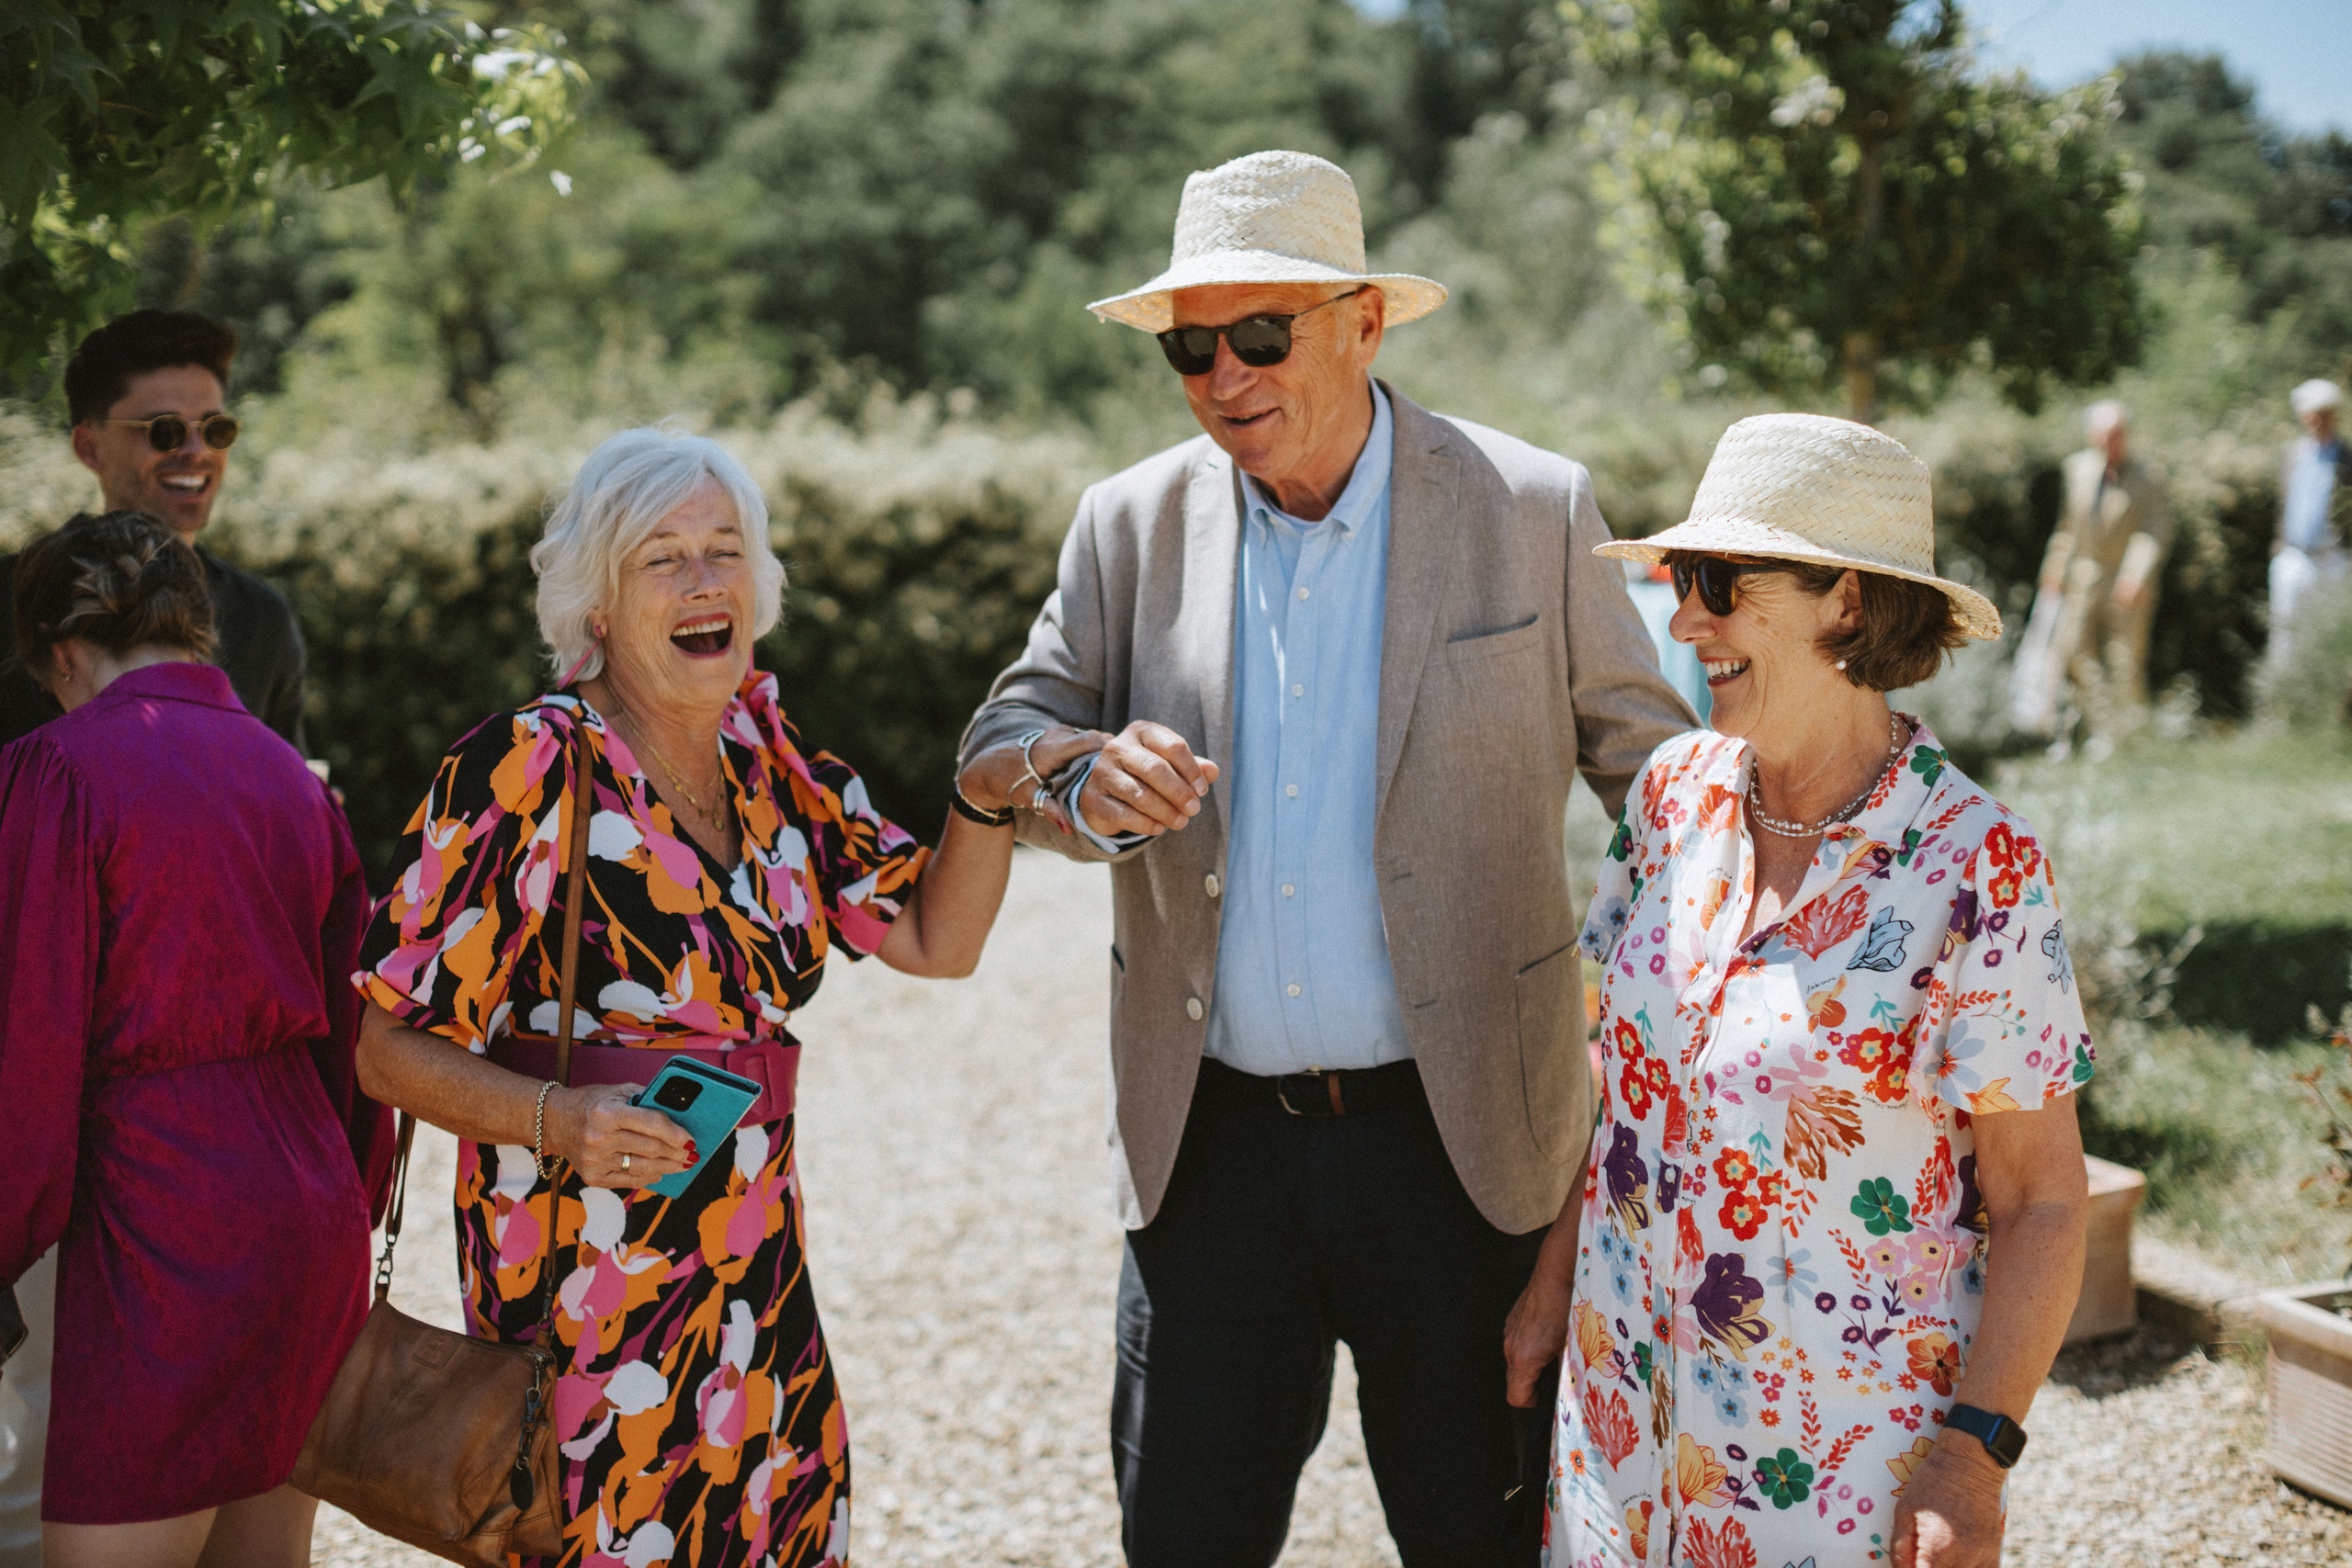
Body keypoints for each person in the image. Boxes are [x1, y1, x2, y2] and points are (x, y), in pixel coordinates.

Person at [960, 149, 1695, 1566]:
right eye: (1191, 346)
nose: (1224, 375)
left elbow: (1667, 797)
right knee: (1183, 1538)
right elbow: (1007, 730)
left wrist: (1680, 992)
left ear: (1365, 320)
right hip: (1211, 1146)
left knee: (1482, 1541)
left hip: (1469, 1140)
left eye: (1260, 334)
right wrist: (1077, 777)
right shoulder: (1127, 521)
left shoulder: (1534, 505)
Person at [350, 426, 1103, 1568]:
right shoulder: (527, 767)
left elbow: (934, 938)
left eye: (724, 549)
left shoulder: (767, 754)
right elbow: (384, 1047)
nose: (704, 580)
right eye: (662, 559)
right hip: (589, 1300)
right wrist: (563, 1121)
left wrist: (985, 795)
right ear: (595, 607)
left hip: (759, 1282)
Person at [1543, 413, 2094, 1568]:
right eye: (1677, 579)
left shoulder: (1976, 865)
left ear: (1844, 602)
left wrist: (1971, 1460)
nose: (1684, 618)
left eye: (1717, 583)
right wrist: (1548, 1287)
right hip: (1618, 1432)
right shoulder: (1667, 797)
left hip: (1828, 1479)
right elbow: (1614, 1080)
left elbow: (2042, 1198)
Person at [0, 511, 390, 1568]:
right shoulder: (289, 780)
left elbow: (29, 1050)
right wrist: (351, 1203)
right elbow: (359, 1037)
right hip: (309, 1208)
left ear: (65, 651)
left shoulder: (56, 770)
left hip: (161, 1211)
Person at [0, 310, 309, 750]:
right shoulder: (8, 600)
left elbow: (284, 783)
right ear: (89, 447)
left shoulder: (262, 620)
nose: (197, 451)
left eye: (216, 429)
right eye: (165, 431)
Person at [2008, 400, 2171, 739]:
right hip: (2084, 578)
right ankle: (2104, 727)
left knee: (2125, 659)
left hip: (2126, 581)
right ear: (2092, 436)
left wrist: (2136, 576)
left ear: (2126, 435)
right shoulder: (2078, 469)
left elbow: (2156, 531)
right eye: (2103, 435)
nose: (2110, 442)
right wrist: (2054, 570)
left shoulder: (2148, 475)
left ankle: (2132, 732)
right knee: (2076, 652)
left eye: (2117, 435)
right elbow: (2068, 528)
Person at [2270, 378, 2348, 662]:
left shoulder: (2346, 459)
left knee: (2325, 640)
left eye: (2322, 413)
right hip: (2293, 556)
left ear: (2333, 415)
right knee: (2284, 640)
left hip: (2331, 561)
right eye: (2310, 413)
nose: (2316, 420)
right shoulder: (2294, 454)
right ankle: (2282, 702)